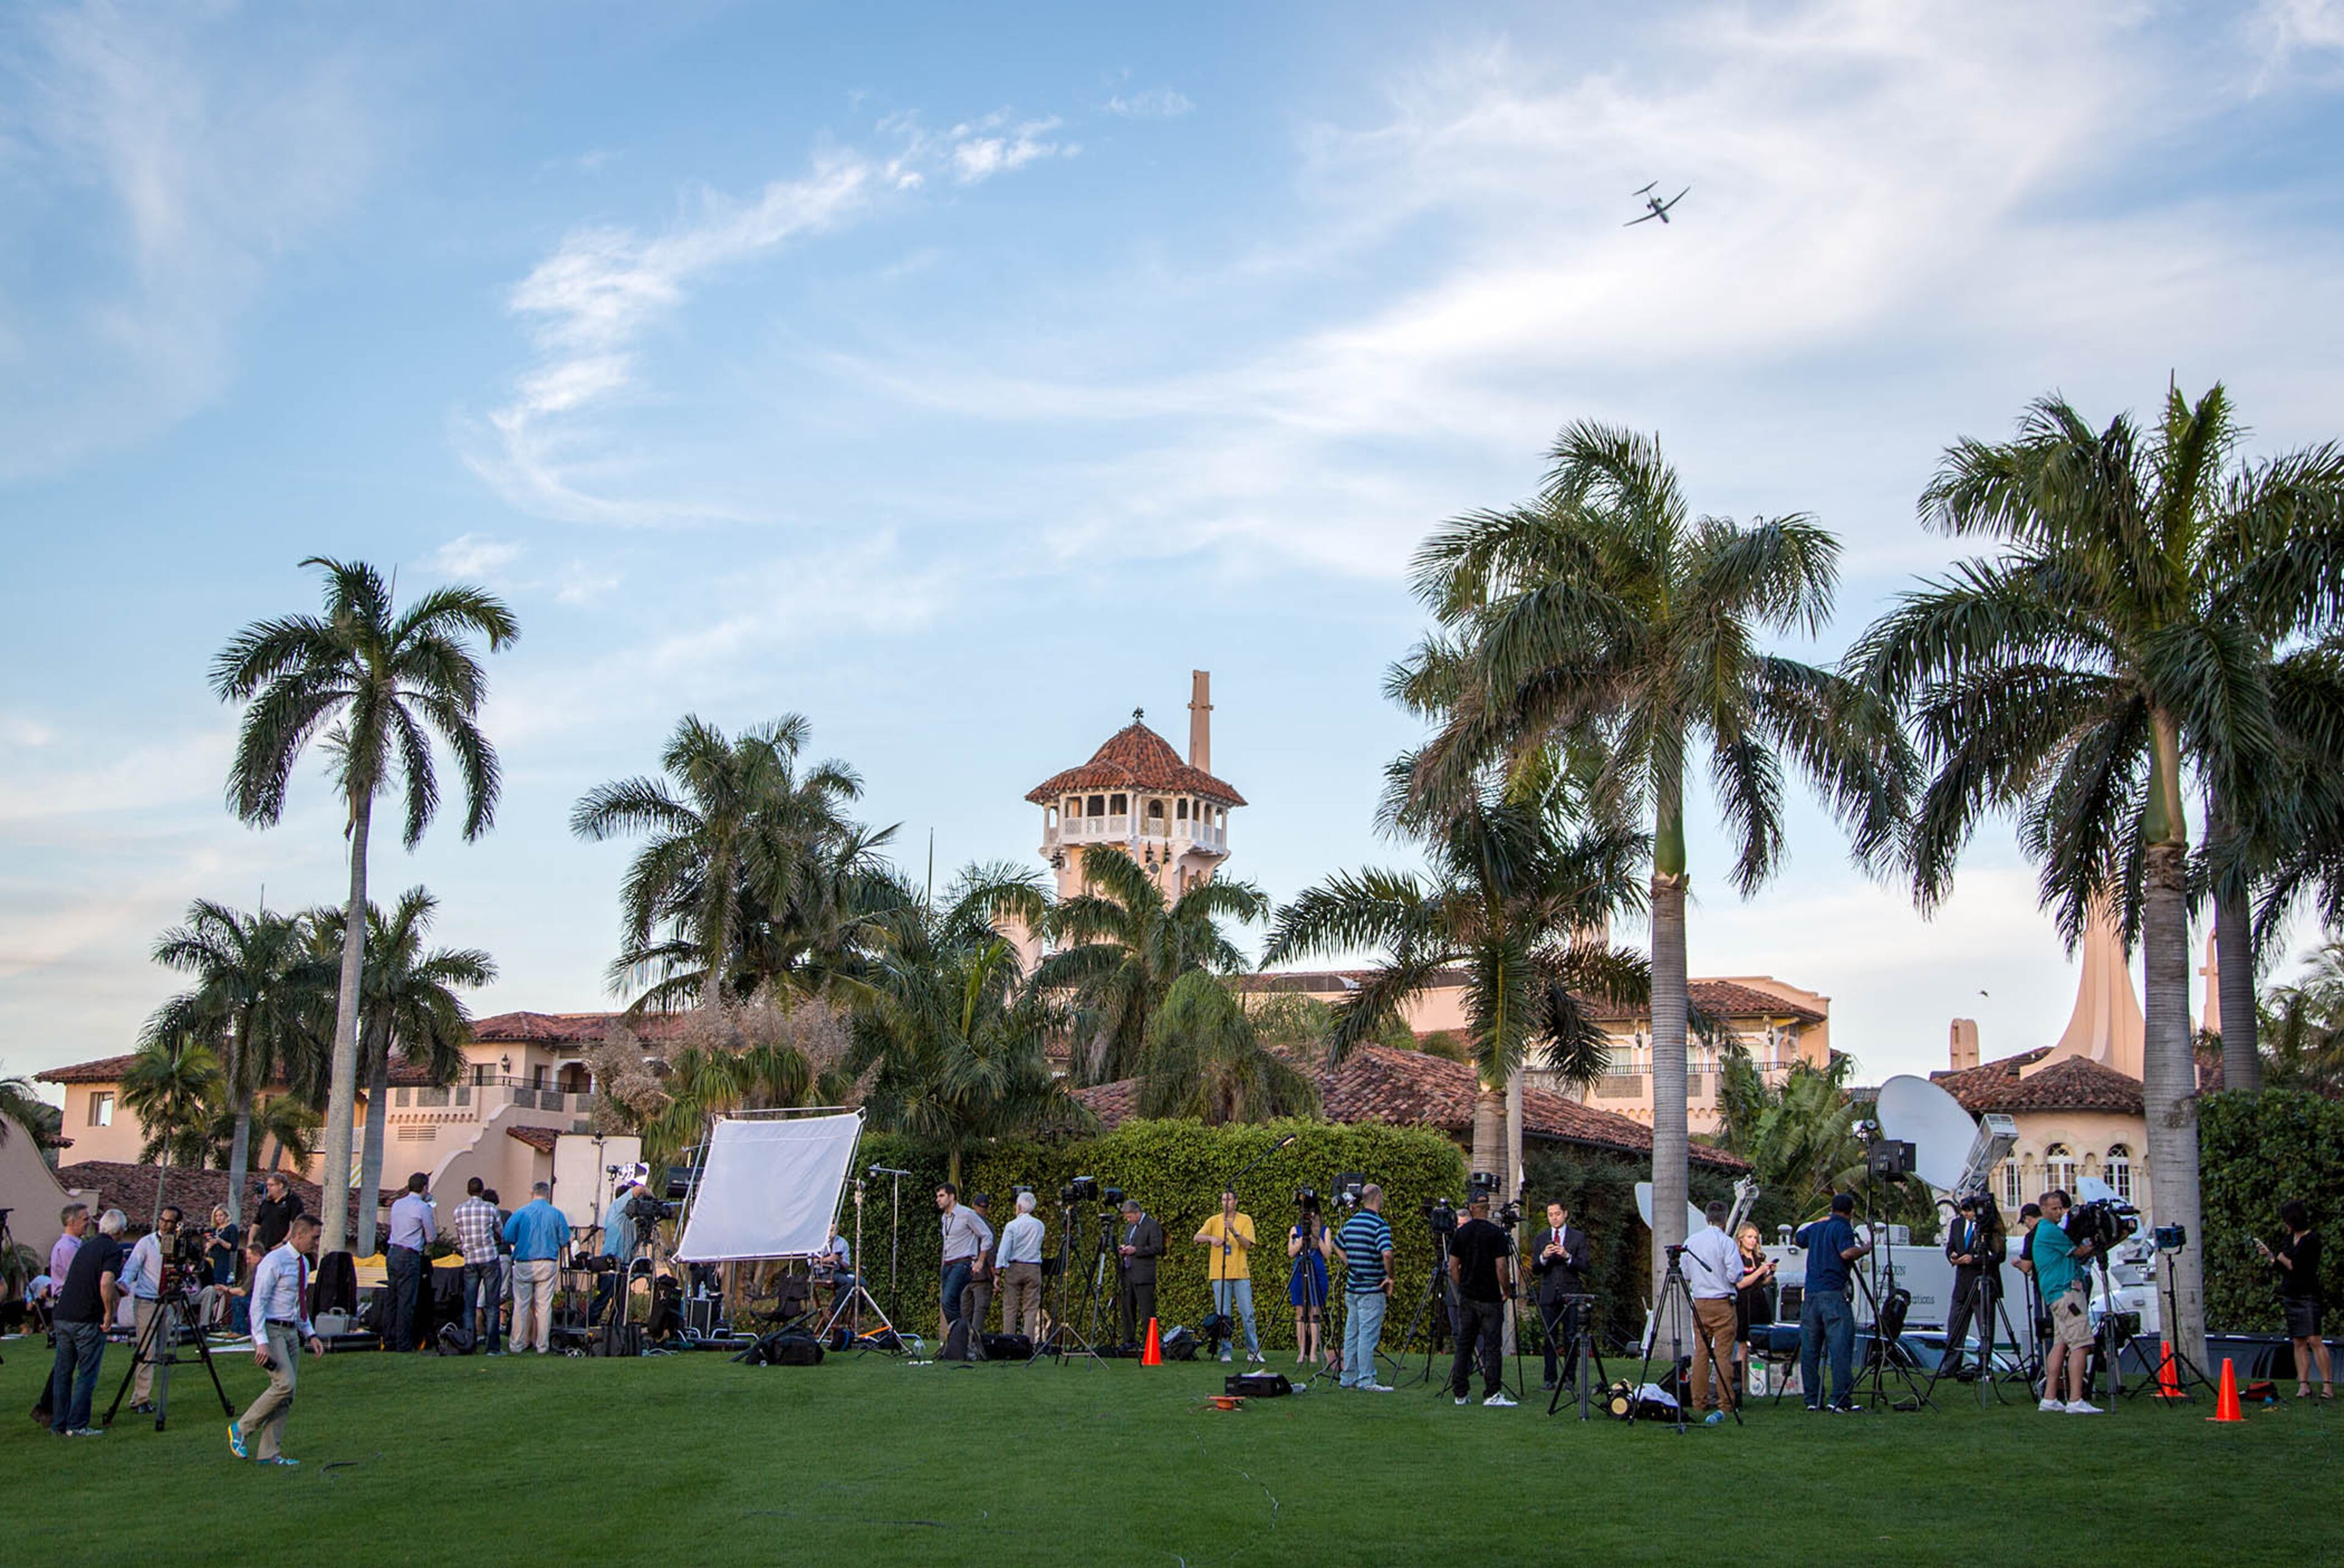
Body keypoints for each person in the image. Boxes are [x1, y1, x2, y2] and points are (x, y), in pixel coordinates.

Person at [229, 1213, 327, 1466]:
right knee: (284, 1384)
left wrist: (311, 1334)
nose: (316, 1242)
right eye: (314, 1237)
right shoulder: (274, 1261)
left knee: (288, 1393)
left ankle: (269, 1454)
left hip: (291, 1330)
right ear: (300, 1235)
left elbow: (299, 1304)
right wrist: (260, 1341)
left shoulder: (303, 1264)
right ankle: (242, 1428)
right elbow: (258, 1303)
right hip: (271, 1330)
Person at [48, 1207, 125, 1437]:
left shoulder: (86, 1246)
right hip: (86, 1318)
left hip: (63, 1315)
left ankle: (59, 1423)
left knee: (63, 1372)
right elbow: (106, 1282)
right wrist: (109, 1313)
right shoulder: (112, 1249)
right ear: (120, 1230)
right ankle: (78, 1424)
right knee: (86, 1373)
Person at [1795, 1193, 1873, 1413]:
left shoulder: (1818, 1228)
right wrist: (1865, 1249)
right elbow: (1847, 1253)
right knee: (1840, 1348)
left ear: (1831, 1209)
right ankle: (1839, 1399)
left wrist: (1818, 1222)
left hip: (1810, 1296)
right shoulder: (1843, 1228)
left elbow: (1798, 1239)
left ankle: (1812, 1399)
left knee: (1810, 1350)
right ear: (1850, 1212)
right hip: (1833, 1295)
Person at [2030, 1188, 2099, 1414]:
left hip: (2056, 1295)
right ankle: (2076, 1399)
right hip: (2066, 1293)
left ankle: (2050, 1397)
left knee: (2061, 1343)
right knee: (2081, 1344)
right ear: (2043, 1209)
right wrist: (2095, 1243)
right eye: (2054, 1208)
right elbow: (2078, 1252)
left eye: (2061, 1208)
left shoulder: (2045, 1230)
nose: (2059, 1212)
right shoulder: (2050, 1231)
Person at [2256, 1199, 2332, 1401]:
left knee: (2315, 1339)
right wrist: (2272, 1257)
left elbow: (2301, 1268)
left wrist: (2282, 1259)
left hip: (2308, 1294)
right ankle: (2303, 1384)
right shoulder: (2289, 1240)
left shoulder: (2311, 1240)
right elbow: (2284, 1268)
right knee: (2298, 1341)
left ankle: (2328, 1386)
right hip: (2291, 1294)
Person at [1447, 1193, 1516, 1407]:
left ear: (1471, 1207)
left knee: (1464, 1344)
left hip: (1468, 1296)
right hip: (1490, 1297)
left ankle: (1460, 1392)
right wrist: (1505, 1289)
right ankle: (1492, 1392)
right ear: (1487, 1208)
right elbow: (1501, 1266)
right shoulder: (1495, 1234)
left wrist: (1462, 1285)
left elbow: (1452, 1266)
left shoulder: (1462, 1233)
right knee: (1492, 1347)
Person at [1680, 1201, 1743, 1424]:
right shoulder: (1726, 1243)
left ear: (1707, 1218)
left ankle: (1699, 1400)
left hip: (1700, 1301)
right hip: (1722, 1302)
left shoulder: (1692, 1242)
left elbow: (1685, 1272)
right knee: (1723, 1354)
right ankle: (1725, 1402)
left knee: (1701, 1353)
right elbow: (1735, 1274)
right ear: (1725, 1219)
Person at [32, 1202, 90, 1425]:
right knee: (66, 1363)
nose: (88, 1223)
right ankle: (51, 1409)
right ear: (71, 1221)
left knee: (65, 1362)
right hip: (70, 1306)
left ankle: (49, 1407)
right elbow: (80, 1276)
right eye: (84, 1219)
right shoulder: (68, 1248)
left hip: (65, 1305)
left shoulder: (71, 1245)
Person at [120, 1205, 181, 1412]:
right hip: (148, 1300)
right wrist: (123, 1285)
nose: (165, 1224)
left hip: (167, 1301)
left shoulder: (178, 1245)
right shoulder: (146, 1243)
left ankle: (148, 1394)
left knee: (161, 1349)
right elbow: (132, 1267)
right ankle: (141, 1397)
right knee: (147, 1349)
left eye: (170, 1222)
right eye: (163, 1220)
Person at [1335, 1185, 1395, 1392]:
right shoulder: (1379, 1225)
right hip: (1372, 1288)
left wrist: (1350, 1263)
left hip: (1353, 1287)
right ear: (1377, 1197)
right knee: (1367, 1336)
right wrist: (1390, 1277)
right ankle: (1366, 1379)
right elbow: (1387, 1253)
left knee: (1351, 1333)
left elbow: (1336, 1244)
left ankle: (1348, 1376)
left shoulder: (1352, 1223)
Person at [1940, 1195, 2006, 1381]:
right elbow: (1951, 1245)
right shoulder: (1958, 1225)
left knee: (1985, 1327)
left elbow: (1999, 1255)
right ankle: (1951, 1365)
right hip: (1962, 1285)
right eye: (1963, 1210)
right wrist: (1952, 1255)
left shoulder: (1990, 1226)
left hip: (1982, 1283)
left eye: (1969, 1211)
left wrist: (1974, 1259)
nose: (1965, 1214)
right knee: (1955, 1326)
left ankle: (1983, 1366)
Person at [1194, 1188, 1263, 1364]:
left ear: (1236, 1202)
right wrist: (1211, 1239)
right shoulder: (1214, 1220)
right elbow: (1197, 1237)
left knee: (1248, 1314)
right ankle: (1226, 1351)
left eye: (1229, 1200)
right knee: (1223, 1316)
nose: (1226, 1203)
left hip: (1240, 1273)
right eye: (1223, 1200)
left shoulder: (1245, 1220)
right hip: (1220, 1273)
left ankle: (1253, 1351)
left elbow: (1247, 1245)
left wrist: (1234, 1232)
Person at [502, 1181, 571, 1354]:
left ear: (531, 1193)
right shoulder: (556, 1214)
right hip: (547, 1262)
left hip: (524, 1262)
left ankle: (516, 1344)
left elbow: (507, 1236)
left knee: (521, 1304)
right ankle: (542, 1345)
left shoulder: (521, 1212)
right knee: (544, 1306)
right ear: (547, 1194)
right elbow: (564, 1240)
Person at [1532, 1201, 1590, 1392]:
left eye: (1557, 1213)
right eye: (1550, 1214)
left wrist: (1567, 1256)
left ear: (1565, 1214)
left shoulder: (1578, 1237)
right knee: (1549, 1336)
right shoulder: (1541, 1238)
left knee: (1570, 1337)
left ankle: (1569, 1379)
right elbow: (1535, 1268)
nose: (1554, 1217)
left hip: (1570, 1293)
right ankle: (1549, 1379)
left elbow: (1585, 1266)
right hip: (1548, 1293)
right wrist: (1544, 1257)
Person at [450, 1177, 504, 1355]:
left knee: (470, 1305)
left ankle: (468, 1344)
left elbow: (460, 1236)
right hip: (489, 1257)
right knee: (492, 1304)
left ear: (468, 1191)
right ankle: (493, 1347)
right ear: (482, 1191)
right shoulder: (490, 1208)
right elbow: (500, 1232)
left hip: (470, 1259)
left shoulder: (459, 1210)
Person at [385, 1172, 435, 1352]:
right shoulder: (422, 1208)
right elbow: (431, 1237)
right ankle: (404, 1343)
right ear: (424, 1187)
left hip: (393, 1252)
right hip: (409, 1254)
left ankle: (389, 1340)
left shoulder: (398, 1204)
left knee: (392, 1298)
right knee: (406, 1301)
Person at [936, 1183, 987, 1346]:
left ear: (952, 1197)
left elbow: (987, 1236)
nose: (938, 1200)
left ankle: (961, 1337)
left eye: (942, 1196)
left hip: (962, 1263)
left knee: (948, 1300)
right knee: (951, 1303)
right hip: (948, 1264)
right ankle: (962, 1339)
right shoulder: (945, 1218)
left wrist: (980, 1261)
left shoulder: (967, 1214)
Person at [1115, 1198, 1165, 1350]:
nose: (1128, 1220)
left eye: (1130, 1217)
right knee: (1127, 1308)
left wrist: (1136, 1250)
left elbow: (1157, 1248)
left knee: (1146, 1310)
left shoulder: (1152, 1225)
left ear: (1137, 1213)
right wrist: (1124, 1250)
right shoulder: (1129, 1228)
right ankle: (1129, 1340)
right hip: (1128, 1273)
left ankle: (1148, 1342)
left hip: (1144, 1274)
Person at [995, 1193, 1046, 1342]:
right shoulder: (1039, 1225)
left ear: (1019, 1207)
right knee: (1030, 1309)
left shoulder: (1012, 1225)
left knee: (1011, 1307)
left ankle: (1008, 1342)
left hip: (1015, 1267)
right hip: (1034, 1268)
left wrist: (998, 1272)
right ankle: (1028, 1342)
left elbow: (1004, 1250)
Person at [1732, 1222, 1776, 1390]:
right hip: (1743, 1303)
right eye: (1749, 1237)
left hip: (1758, 1301)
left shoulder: (1757, 1258)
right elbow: (1741, 1284)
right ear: (1741, 1238)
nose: (1752, 1241)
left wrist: (1770, 1274)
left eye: (1755, 1238)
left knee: (1758, 1342)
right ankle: (1740, 1385)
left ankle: (1759, 1383)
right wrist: (1758, 1272)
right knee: (1742, 1344)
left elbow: (1760, 1283)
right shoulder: (1737, 1258)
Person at [1287, 1210, 1331, 1368]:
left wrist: (1316, 1236)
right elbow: (1291, 1252)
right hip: (1299, 1272)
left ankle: (1313, 1352)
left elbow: (1328, 1254)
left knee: (1315, 1312)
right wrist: (1302, 1238)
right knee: (1300, 1312)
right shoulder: (1295, 1230)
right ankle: (1301, 1351)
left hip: (1317, 1272)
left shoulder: (1325, 1231)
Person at [957, 1193, 999, 1356]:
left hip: (964, 1275)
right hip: (981, 1278)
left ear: (973, 1206)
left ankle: (961, 1346)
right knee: (978, 1315)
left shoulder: (963, 1225)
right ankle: (973, 1348)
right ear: (987, 1209)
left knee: (964, 1314)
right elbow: (991, 1253)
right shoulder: (988, 1228)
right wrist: (996, 1275)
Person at [593, 1181, 639, 1328]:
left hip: (625, 1266)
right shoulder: (616, 1209)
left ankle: (616, 1332)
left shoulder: (632, 1221)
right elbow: (638, 1190)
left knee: (621, 1304)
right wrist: (648, 1193)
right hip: (611, 1265)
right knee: (604, 1299)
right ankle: (587, 1326)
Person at [252, 1172, 303, 1251]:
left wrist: (284, 1242)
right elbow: (256, 1224)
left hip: (281, 1248)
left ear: (280, 1186)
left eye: (271, 1185)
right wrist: (250, 1241)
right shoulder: (266, 1202)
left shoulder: (293, 1201)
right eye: (267, 1185)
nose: (268, 1188)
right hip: (262, 1247)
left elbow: (296, 1224)